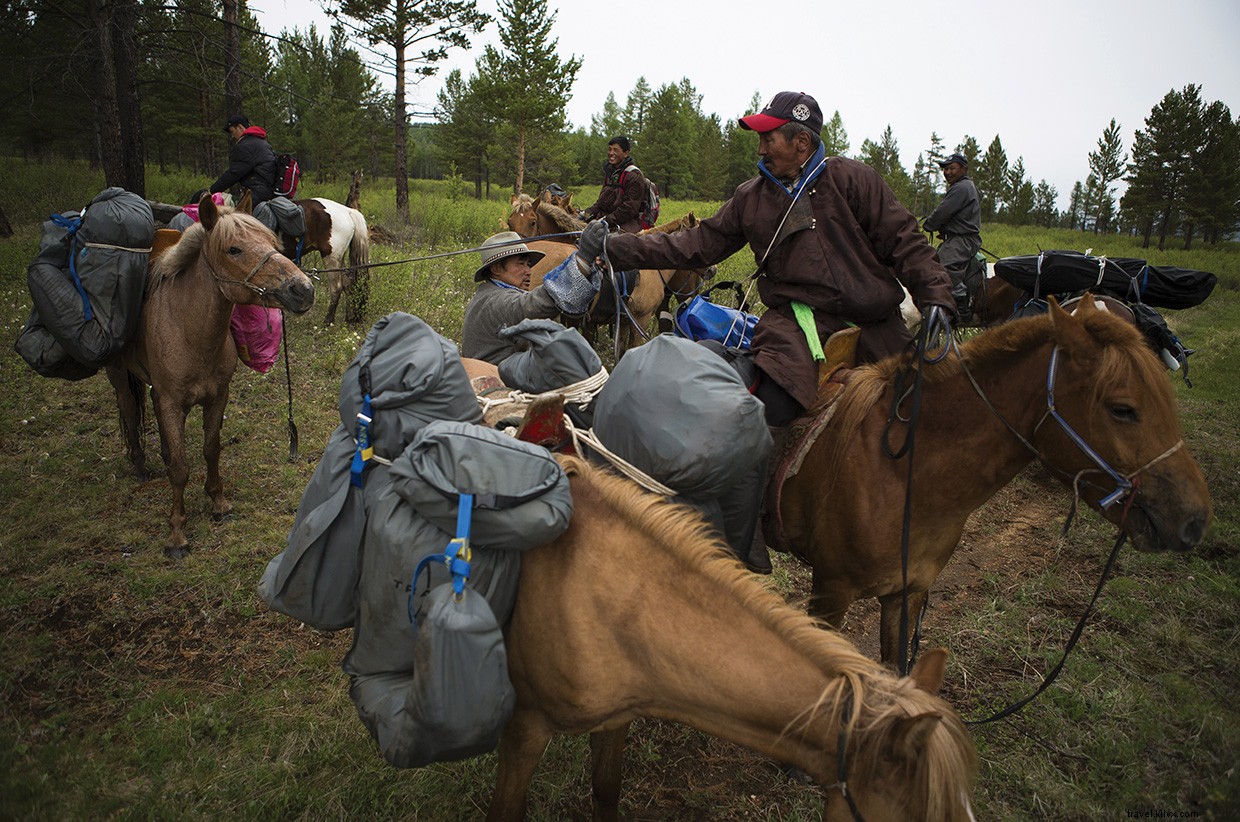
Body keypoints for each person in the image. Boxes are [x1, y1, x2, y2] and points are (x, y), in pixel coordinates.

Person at [591, 91, 956, 428]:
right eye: (760, 139)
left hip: (875, 324)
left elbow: (905, 240)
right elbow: (697, 243)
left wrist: (936, 296)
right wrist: (619, 247)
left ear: (801, 142)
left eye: (769, 139)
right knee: (770, 410)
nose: (761, 149)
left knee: (921, 414)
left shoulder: (852, 178)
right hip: (795, 329)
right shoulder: (751, 197)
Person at [461, 232, 557, 364]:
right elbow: (531, 306)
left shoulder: (487, 293)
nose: (529, 271)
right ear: (496, 269)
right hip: (498, 380)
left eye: (528, 264)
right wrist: (581, 264)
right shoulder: (496, 300)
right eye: (521, 264)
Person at [923, 152, 983, 322]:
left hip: (962, 240)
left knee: (942, 269)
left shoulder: (961, 188)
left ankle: (961, 308)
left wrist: (930, 225)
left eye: (952, 168)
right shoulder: (967, 186)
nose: (947, 172)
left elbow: (942, 211)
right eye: (945, 169)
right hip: (960, 237)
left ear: (963, 169)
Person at [581, 136, 647, 233]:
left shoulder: (634, 176)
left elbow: (629, 208)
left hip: (627, 224)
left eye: (615, 150)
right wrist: (587, 213)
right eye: (610, 149)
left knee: (609, 244)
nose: (611, 153)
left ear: (625, 153)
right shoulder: (610, 174)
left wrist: (605, 220)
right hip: (606, 220)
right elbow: (601, 203)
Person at [210, 115, 277, 206]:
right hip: (271, 189)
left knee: (238, 216)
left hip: (258, 191)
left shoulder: (245, 146)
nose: (232, 136)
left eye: (232, 131)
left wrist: (212, 191)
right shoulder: (262, 142)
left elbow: (234, 173)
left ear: (240, 127)